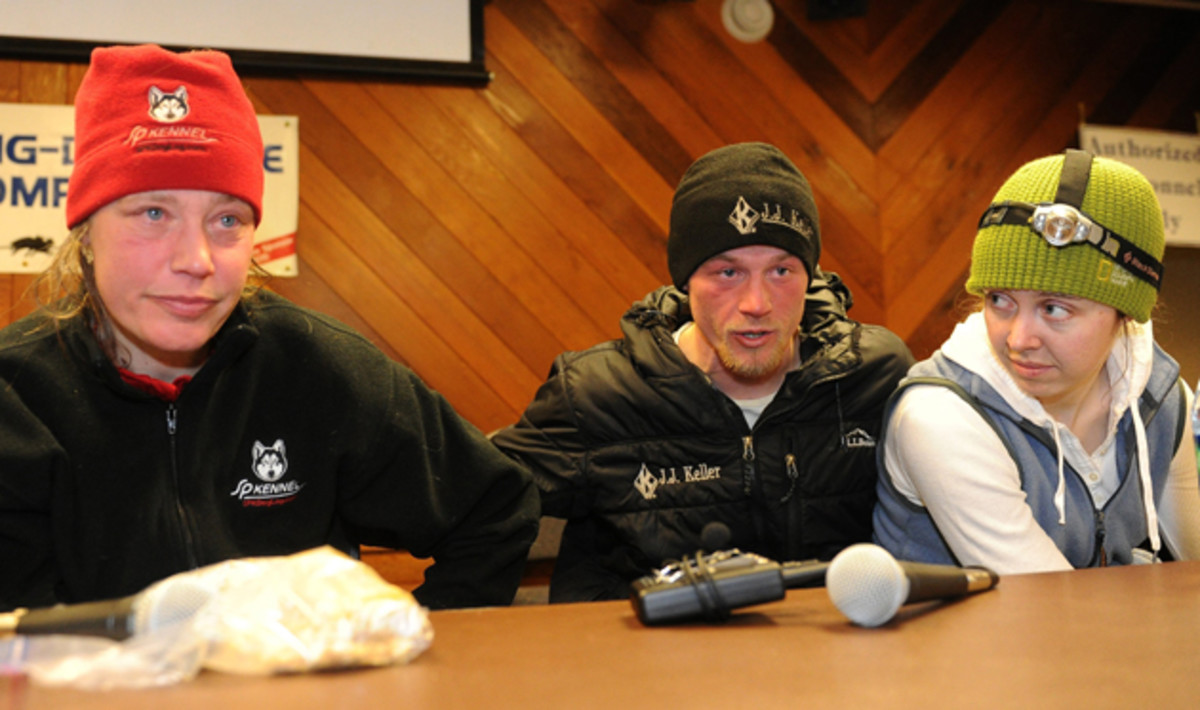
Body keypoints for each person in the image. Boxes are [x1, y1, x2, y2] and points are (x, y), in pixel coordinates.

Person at [0, 44, 539, 612]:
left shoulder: (319, 367)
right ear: (85, 230)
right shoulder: (15, 396)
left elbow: (494, 509)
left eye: (227, 220)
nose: (197, 259)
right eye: (153, 213)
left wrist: (413, 666)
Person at [492, 142, 914, 602]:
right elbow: (471, 504)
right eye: (727, 272)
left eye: (781, 271)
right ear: (686, 280)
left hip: (826, 662)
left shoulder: (873, 376)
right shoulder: (596, 394)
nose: (757, 304)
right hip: (645, 665)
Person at [873, 149, 1200, 573]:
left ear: (1124, 312)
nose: (1018, 339)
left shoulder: (1161, 398)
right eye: (999, 300)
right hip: (962, 639)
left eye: (1054, 309)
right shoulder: (939, 416)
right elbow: (1049, 609)